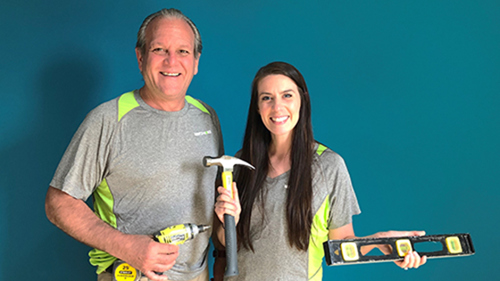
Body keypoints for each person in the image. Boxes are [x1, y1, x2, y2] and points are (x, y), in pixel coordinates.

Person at [45, 8, 223, 281]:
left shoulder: (207, 117)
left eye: (183, 52)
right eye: (159, 49)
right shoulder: (108, 120)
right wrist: (126, 246)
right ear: (140, 58)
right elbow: (59, 203)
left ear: (196, 61)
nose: (171, 61)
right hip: (131, 275)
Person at [213, 61, 426, 280]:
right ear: (257, 107)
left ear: (302, 101)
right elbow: (226, 242)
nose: (277, 107)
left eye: (287, 95)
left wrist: (380, 241)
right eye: (267, 98)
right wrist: (229, 221)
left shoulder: (329, 166)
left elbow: (342, 244)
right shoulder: (239, 165)